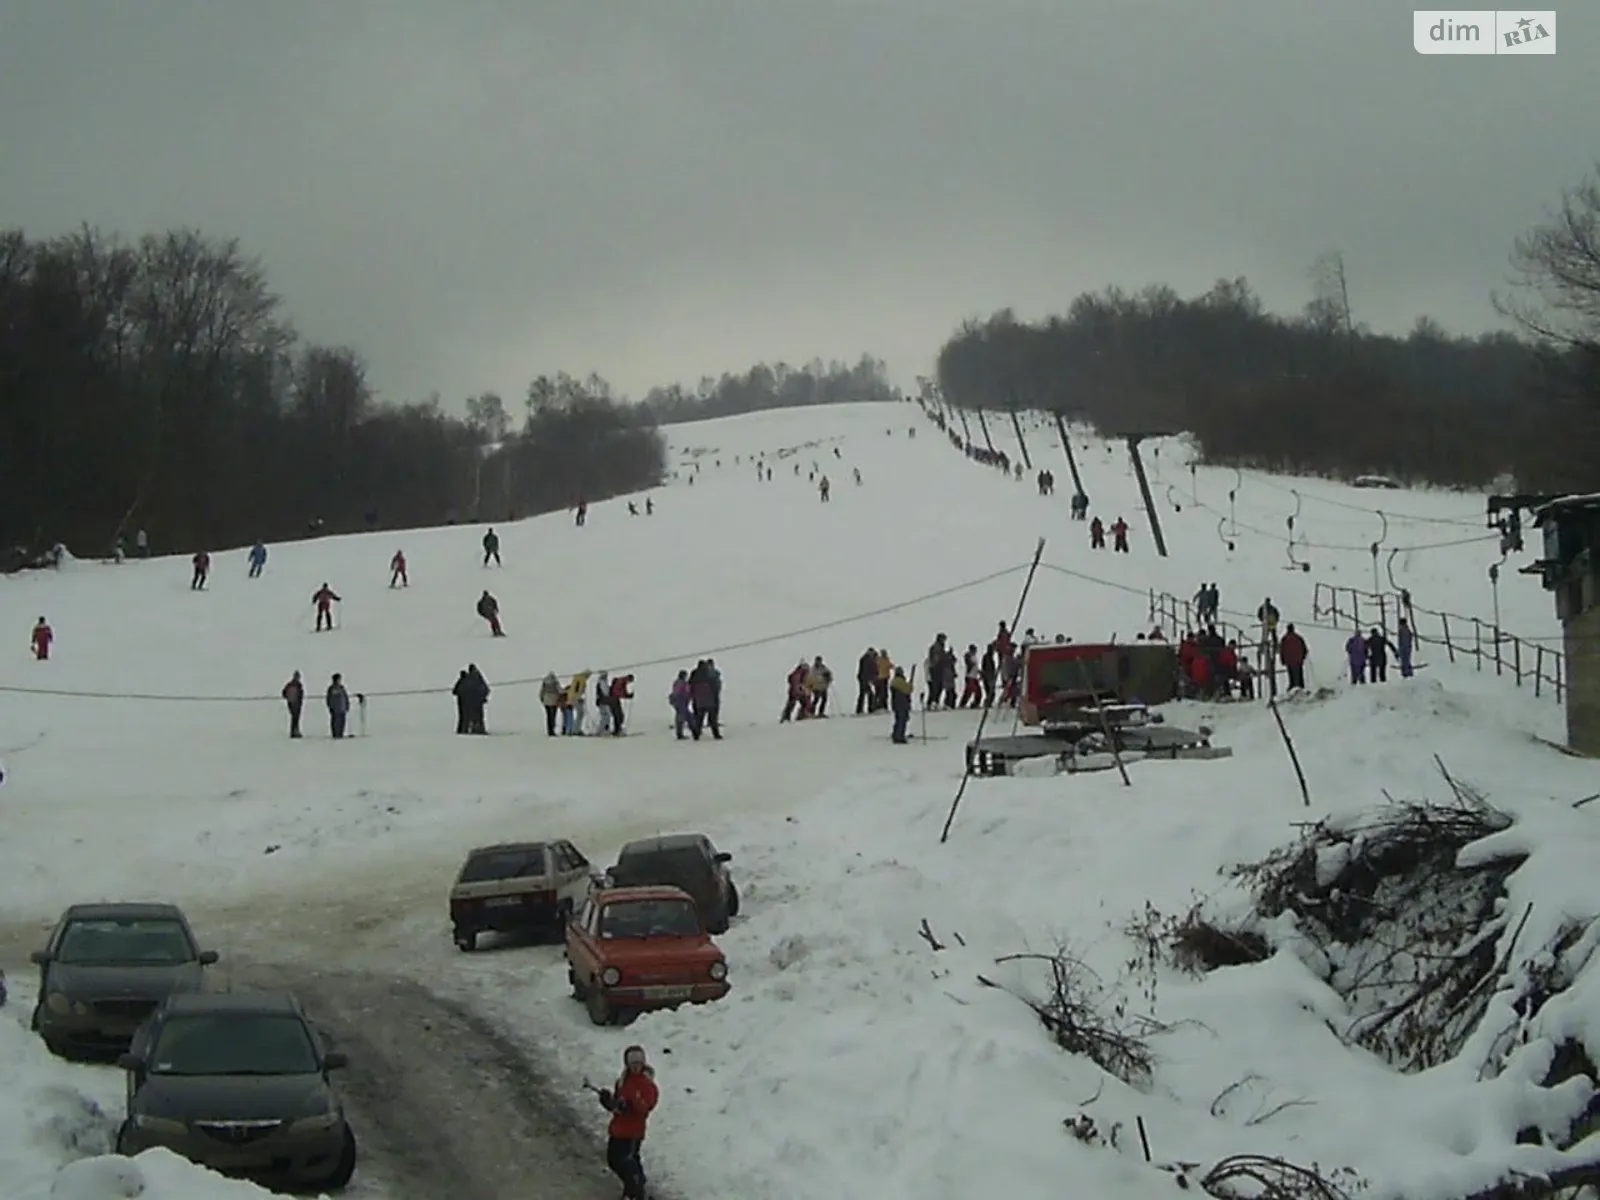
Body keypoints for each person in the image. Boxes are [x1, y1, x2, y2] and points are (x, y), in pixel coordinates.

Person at [596, 1045, 658, 1199]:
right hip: (618, 1129)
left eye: (639, 1063)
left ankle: (635, 1191)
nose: (636, 1066)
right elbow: (618, 1106)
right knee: (616, 1161)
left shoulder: (647, 1084)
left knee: (625, 1161)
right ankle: (635, 1187)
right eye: (633, 1063)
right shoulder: (623, 1081)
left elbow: (645, 1107)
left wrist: (634, 1101)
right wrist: (608, 1102)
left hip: (633, 1132)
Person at [326, 673, 350, 738]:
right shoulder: (331, 688)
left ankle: (340, 733)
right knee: (335, 722)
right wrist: (330, 707)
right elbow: (328, 698)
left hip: (342, 708)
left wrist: (347, 705)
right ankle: (335, 734)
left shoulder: (342, 688)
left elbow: (345, 697)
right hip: (335, 709)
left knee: (342, 722)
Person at [282, 670, 305, 738]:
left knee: (295, 718)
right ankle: (294, 732)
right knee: (295, 718)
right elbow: (284, 693)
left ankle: (295, 731)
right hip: (293, 703)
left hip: (296, 703)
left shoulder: (297, 685)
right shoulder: (293, 685)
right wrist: (290, 699)